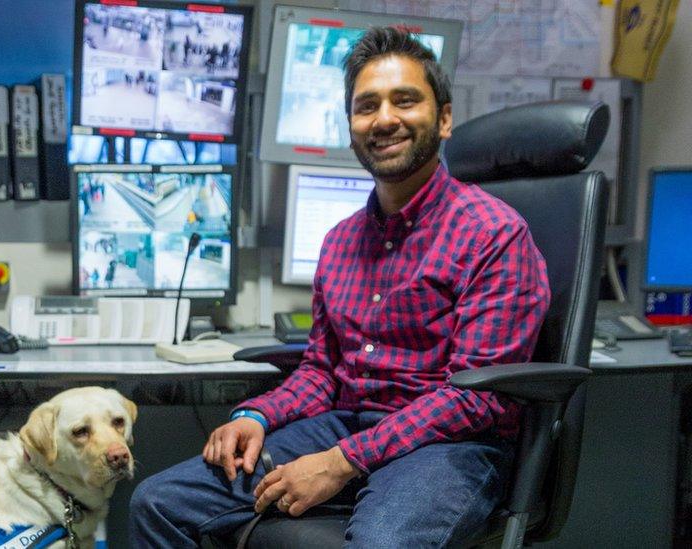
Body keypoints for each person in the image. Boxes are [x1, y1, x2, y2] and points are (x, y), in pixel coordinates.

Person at [130, 26, 551, 547]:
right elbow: (322, 372)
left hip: (449, 446)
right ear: (351, 128)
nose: (385, 119)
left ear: (443, 119)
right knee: (160, 503)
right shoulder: (340, 242)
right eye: (366, 105)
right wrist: (256, 414)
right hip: (345, 426)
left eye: (405, 101)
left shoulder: (493, 232)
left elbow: (476, 402)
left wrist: (342, 462)